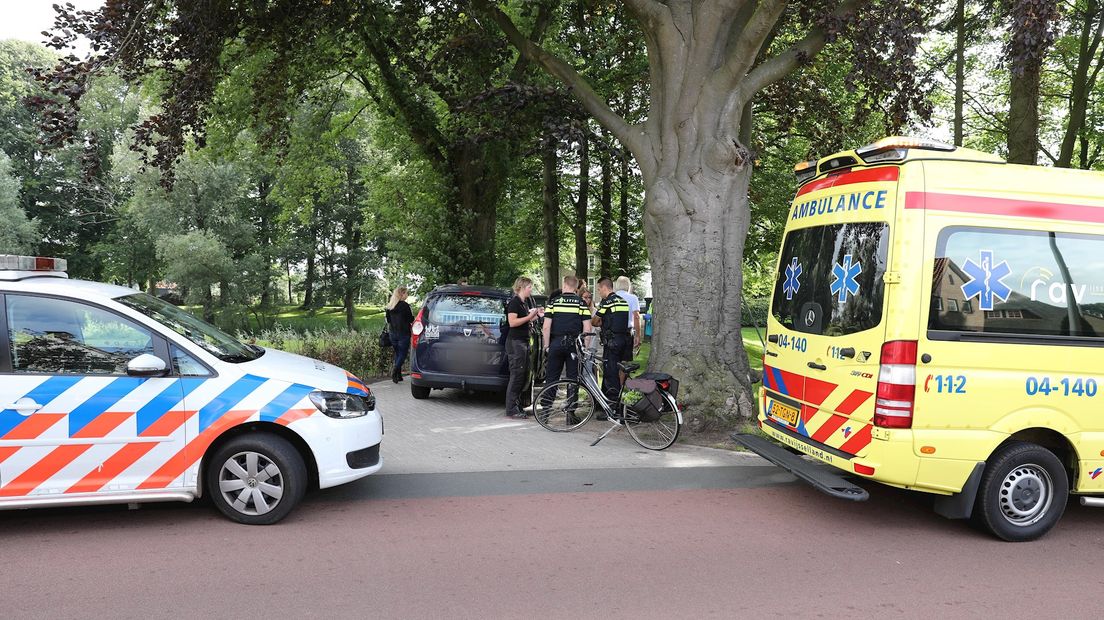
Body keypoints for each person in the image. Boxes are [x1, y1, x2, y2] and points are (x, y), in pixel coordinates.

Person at [542, 275, 591, 389]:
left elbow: (546, 326)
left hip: (556, 342)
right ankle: (571, 404)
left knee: (552, 376)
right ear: (575, 287)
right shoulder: (581, 303)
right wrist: (585, 347)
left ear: (564, 285)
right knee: (573, 377)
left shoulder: (554, 302)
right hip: (574, 344)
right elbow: (587, 328)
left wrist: (547, 345)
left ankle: (546, 403)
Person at [505, 276, 542, 418]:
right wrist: (529, 316)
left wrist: (536, 315)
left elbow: (525, 320)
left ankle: (518, 405)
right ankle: (511, 409)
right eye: (529, 287)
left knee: (523, 375)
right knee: (516, 375)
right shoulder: (514, 303)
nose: (530, 290)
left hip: (524, 342)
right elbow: (512, 322)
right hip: (516, 343)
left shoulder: (523, 303)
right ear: (521, 287)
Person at [591, 277, 631, 401]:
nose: (599, 292)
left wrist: (601, 324)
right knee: (618, 371)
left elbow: (594, 321)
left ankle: (612, 405)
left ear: (604, 287)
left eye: (599, 289)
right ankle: (609, 400)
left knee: (610, 373)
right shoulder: (623, 301)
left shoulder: (607, 302)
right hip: (624, 340)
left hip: (612, 342)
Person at [385, 286, 414, 383]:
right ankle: (395, 370)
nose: (407, 295)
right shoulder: (405, 306)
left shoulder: (390, 306)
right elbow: (410, 319)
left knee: (398, 354)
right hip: (403, 334)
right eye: (406, 293)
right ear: (402, 294)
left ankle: (399, 375)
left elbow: (388, 320)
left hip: (392, 334)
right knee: (403, 354)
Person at [614, 276, 643, 354]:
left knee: (613, 360)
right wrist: (638, 335)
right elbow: (636, 317)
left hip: (613, 333)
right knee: (625, 360)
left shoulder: (611, 298)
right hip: (627, 332)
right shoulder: (633, 298)